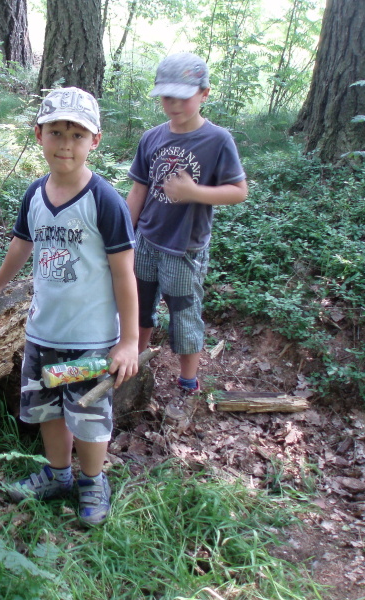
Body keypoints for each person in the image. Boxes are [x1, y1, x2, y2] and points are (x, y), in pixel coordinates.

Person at [0, 87, 139, 526]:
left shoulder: (104, 201)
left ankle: (92, 481)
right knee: (48, 409)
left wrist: (129, 340)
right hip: (44, 332)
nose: (66, 144)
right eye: (57, 132)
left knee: (87, 414)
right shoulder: (34, 194)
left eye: (77, 135)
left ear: (94, 141)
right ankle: (58, 474)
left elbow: (124, 274)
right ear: (39, 135)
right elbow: (21, 243)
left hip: (91, 339)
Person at [126, 52, 247, 426]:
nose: (174, 104)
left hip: (184, 248)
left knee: (183, 315)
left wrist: (194, 192)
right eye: (167, 97)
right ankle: (135, 365)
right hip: (146, 240)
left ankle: (188, 384)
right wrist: (125, 237)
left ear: (204, 93)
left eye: (183, 96)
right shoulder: (152, 138)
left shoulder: (217, 140)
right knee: (138, 306)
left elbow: (238, 191)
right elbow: (138, 191)